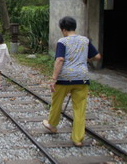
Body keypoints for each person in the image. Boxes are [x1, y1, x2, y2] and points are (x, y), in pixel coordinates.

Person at [42, 16, 101, 147]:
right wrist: (84, 60)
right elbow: (97, 56)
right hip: (82, 78)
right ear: (74, 27)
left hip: (64, 78)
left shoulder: (63, 41)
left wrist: (54, 79)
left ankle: (52, 125)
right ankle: (78, 139)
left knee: (57, 102)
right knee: (80, 109)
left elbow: (60, 60)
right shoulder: (85, 40)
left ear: (63, 29)